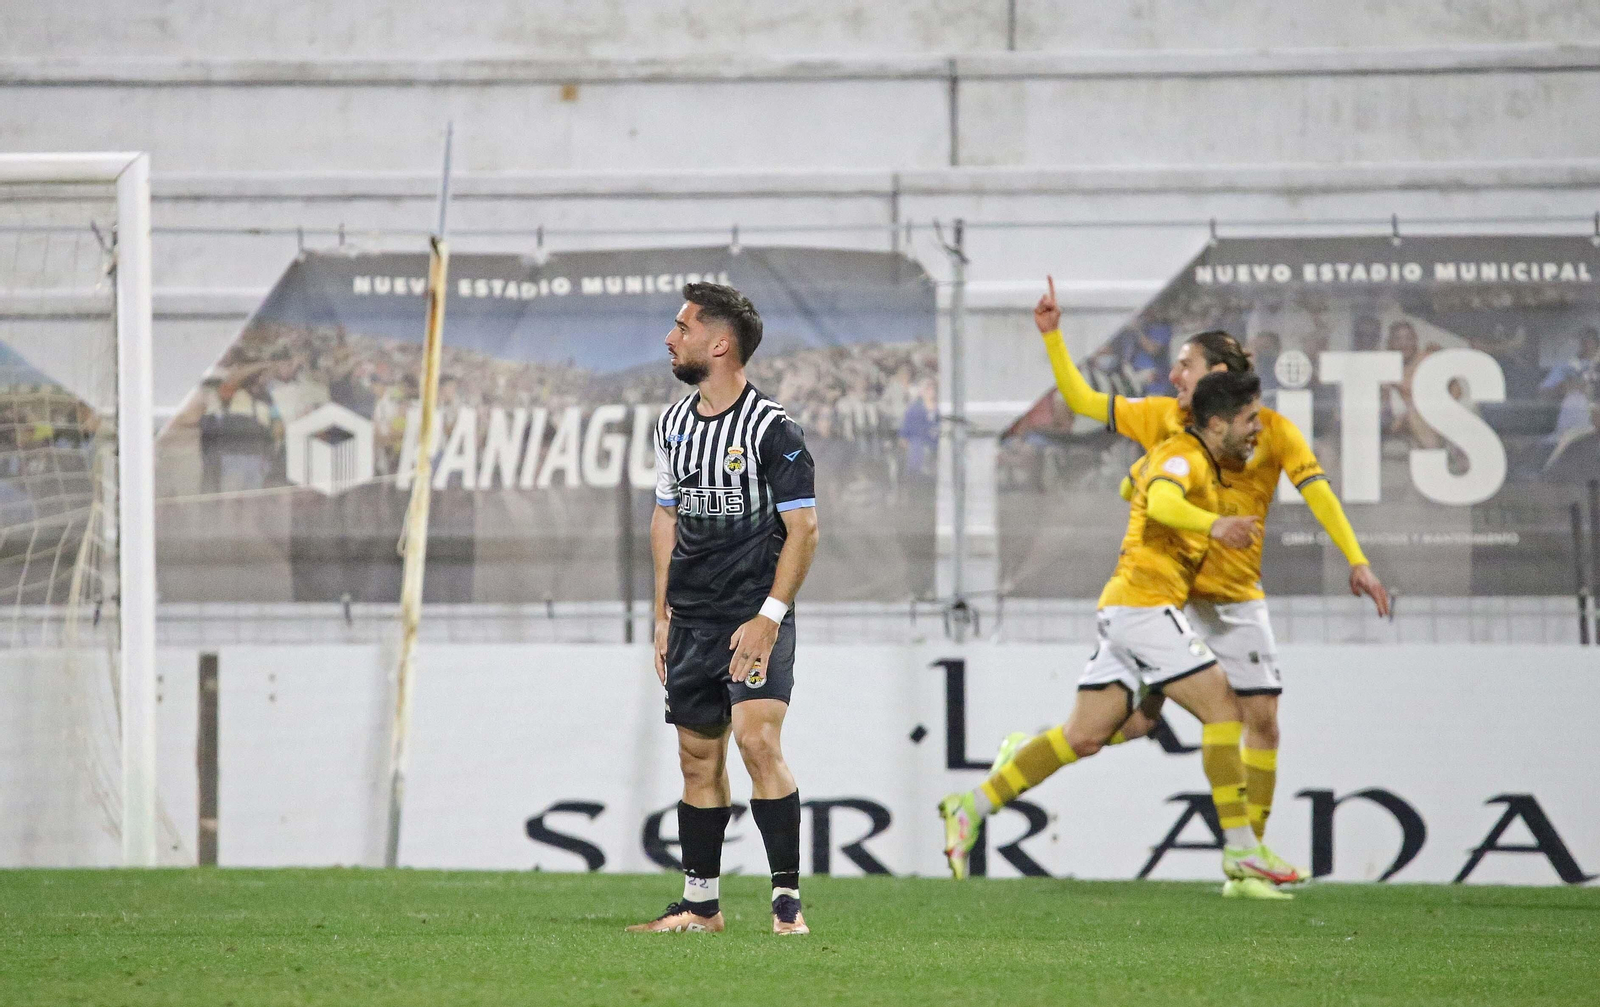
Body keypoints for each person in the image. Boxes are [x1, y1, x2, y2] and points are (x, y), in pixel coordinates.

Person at [1027, 276, 1390, 896]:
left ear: (1217, 373)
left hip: (1236, 598)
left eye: (1185, 365)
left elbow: (1317, 491)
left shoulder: (1268, 428)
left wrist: (1357, 559)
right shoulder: (1162, 422)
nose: (1174, 377)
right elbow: (1085, 404)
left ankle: (1250, 857)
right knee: (1141, 725)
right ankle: (1240, 851)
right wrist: (1054, 338)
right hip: (1169, 596)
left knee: (1263, 722)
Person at [940, 371, 1291, 889]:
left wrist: (1146, 481)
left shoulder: (1188, 456)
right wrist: (1212, 525)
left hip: (1130, 609)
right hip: (1143, 609)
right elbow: (1166, 500)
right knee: (1224, 708)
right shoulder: (1185, 456)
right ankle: (1242, 851)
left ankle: (972, 804)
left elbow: (1133, 486)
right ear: (1218, 423)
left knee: (1087, 736)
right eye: (1248, 420)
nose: (1257, 429)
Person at [628, 282, 820, 937]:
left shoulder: (773, 430)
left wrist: (770, 616)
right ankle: (700, 905)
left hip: (752, 614)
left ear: (719, 344)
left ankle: (786, 901)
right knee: (696, 759)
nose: (668, 337)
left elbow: (806, 530)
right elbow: (665, 514)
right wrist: (662, 613)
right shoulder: (674, 424)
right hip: (693, 617)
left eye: (681, 326)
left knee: (757, 741)